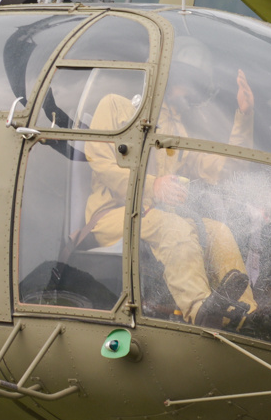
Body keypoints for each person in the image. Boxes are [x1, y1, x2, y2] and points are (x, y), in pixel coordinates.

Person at [82, 37, 261, 329]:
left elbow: (224, 169)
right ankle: (201, 310)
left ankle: (249, 317)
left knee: (219, 231)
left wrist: (244, 116)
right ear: (169, 74)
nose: (191, 90)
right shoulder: (115, 106)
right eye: (189, 80)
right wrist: (153, 186)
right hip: (112, 217)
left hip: (154, 219)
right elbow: (102, 162)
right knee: (174, 227)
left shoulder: (177, 129)